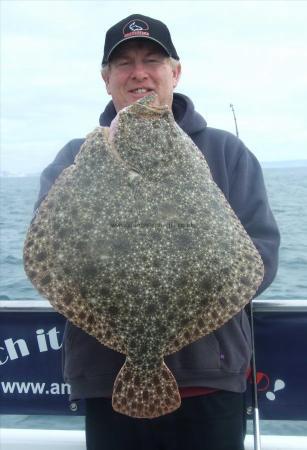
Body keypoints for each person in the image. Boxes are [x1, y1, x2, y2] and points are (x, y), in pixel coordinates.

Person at [34, 14, 280, 450]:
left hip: (211, 380)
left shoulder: (224, 151)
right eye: (124, 63)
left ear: (175, 72)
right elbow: (52, 255)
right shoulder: (76, 157)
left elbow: (260, 256)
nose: (139, 73)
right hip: (105, 383)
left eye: (152, 60)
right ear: (106, 78)